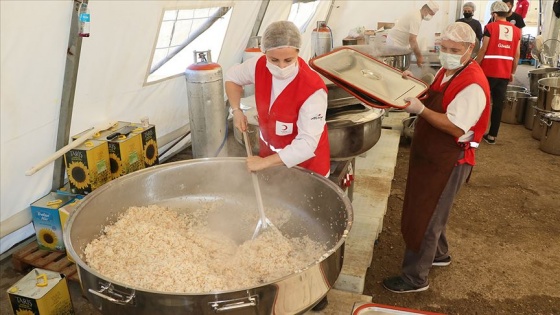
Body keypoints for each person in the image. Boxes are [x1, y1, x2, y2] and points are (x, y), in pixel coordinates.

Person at [224, 20, 330, 310]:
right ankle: (272, 274)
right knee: (278, 213)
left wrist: (263, 162)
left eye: (289, 59)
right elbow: (231, 78)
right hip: (269, 158)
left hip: (306, 167)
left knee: (307, 225)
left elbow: (307, 143)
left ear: (299, 52)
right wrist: (236, 111)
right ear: (263, 52)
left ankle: (315, 287)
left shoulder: (313, 89)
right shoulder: (259, 66)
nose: (281, 66)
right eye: (274, 59)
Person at [382, 22, 490, 293]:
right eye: (444, 48)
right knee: (433, 209)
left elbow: (456, 126)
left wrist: (420, 110)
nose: (448, 53)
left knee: (428, 216)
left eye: (454, 49)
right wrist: (414, 86)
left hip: (450, 159)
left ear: (470, 49)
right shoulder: (451, 69)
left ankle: (415, 278)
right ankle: (440, 255)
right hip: (433, 155)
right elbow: (436, 92)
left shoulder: (473, 84)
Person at [477, 1, 521, 144]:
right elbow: (517, 54)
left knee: (481, 103)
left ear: (494, 14)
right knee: (497, 104)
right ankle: (492, 136)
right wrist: (512, 72)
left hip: (487, 71)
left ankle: (475, 133)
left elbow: (483, 49)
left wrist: (475, 65)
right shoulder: (516, 30)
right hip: (504, 73)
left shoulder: (490, 27)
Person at [387, 1, 440, 67]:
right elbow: (412, 39)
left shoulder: (416, 13)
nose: (431, 17)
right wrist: (419, 56)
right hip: (395, 43)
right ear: (425, 10)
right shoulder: (416, 18)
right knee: (395, 67)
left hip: (400, 44)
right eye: (431, 14)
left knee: (400, 67)